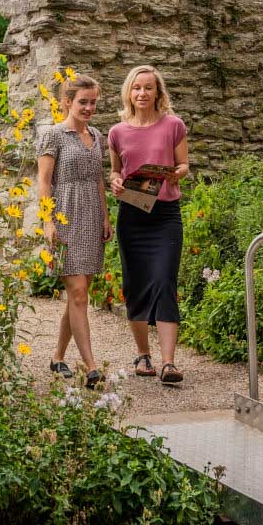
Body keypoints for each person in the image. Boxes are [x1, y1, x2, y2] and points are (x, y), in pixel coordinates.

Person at [108, 64, 189, 386]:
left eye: (148, 88)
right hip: (132, 215)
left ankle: (169, 363)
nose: (142, 93)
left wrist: (174, 173)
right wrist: (114, 181)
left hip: (166, 215)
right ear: (129, 92)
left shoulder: (173, 125)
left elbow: (184, 164)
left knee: (165, 282)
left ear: (158, 92)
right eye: (136, 88)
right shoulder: (117, 132)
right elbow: (116, 171)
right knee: (136, 285)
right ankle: (144, 355)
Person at [36, 73, 111, 387]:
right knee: (78, 294)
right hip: (65, 216)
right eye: (83, 102)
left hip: (92, 217)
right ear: (67, 102)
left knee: (79, 295)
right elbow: (43, 181)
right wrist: (48, 220)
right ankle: (91, 366)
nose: (89, 107)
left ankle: (57, 356)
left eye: (93, 102)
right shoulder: (53, 135)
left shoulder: (96, 135)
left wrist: (106, 218)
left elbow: (98, 180)